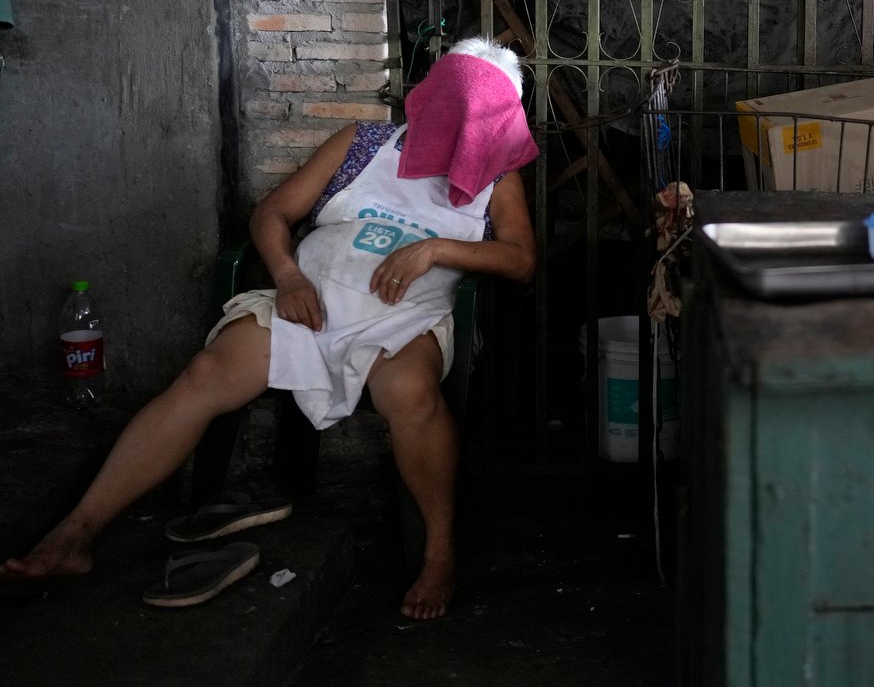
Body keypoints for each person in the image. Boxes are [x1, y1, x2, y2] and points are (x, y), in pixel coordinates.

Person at [2, 38, 538, 620]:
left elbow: (520, 260)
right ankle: (75, 534)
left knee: (412, 394)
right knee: (208, 374)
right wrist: (287, 276)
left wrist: (434, 248)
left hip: (401, 320)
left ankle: (439, 553)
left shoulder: (497, 179)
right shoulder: (363, 145)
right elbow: (272, 212)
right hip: (308, 303)